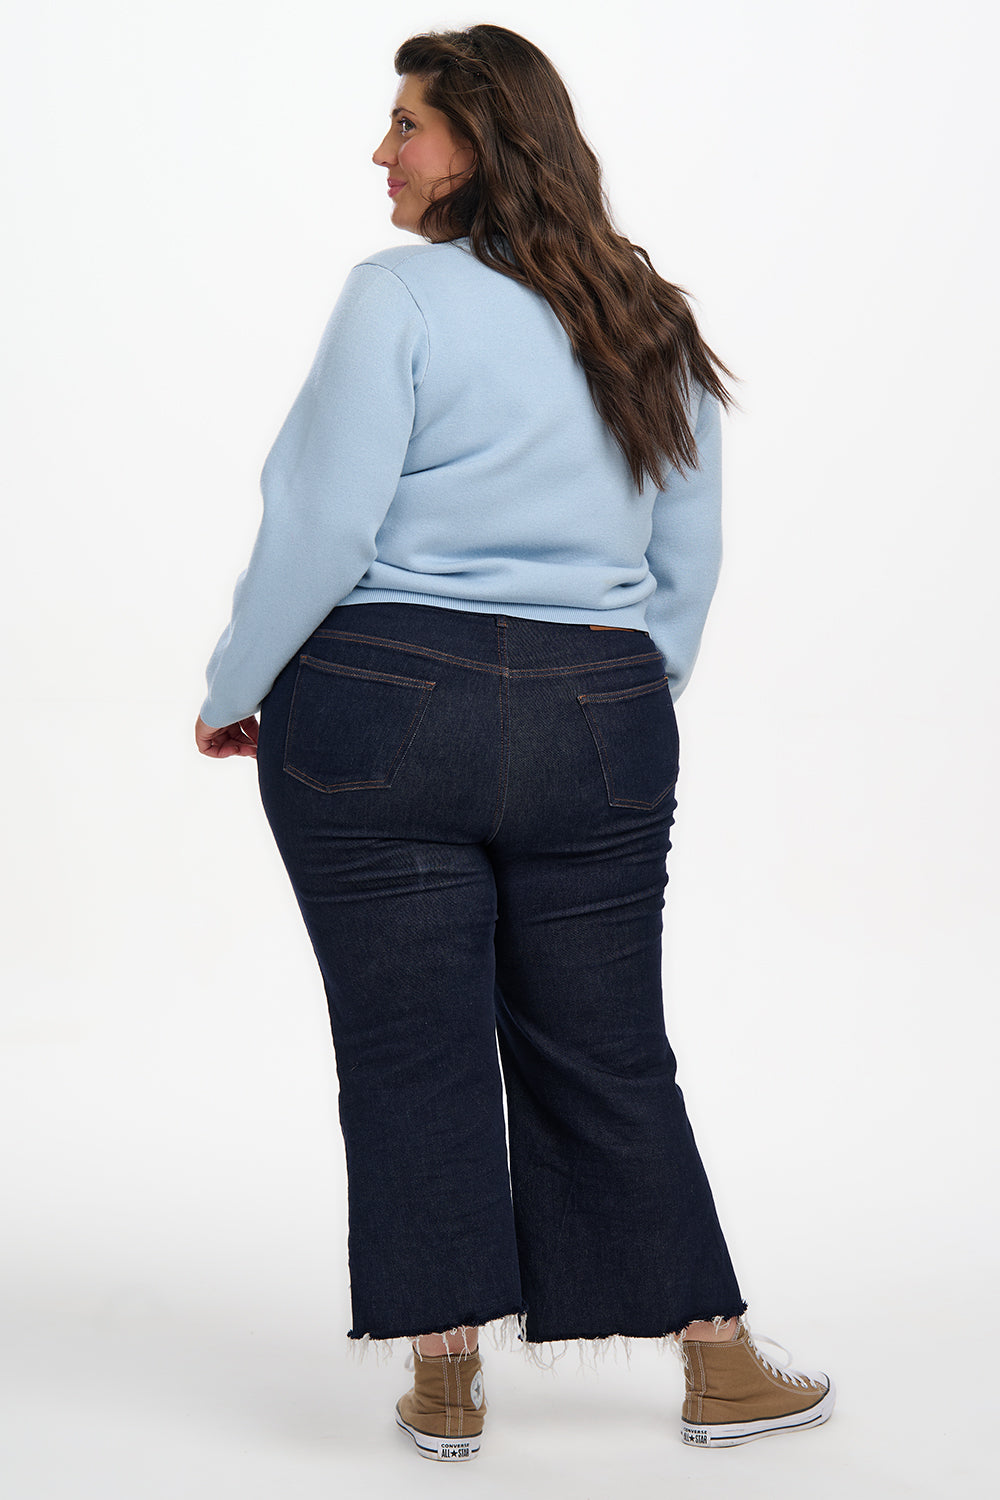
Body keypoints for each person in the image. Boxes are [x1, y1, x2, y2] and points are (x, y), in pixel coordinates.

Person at [194, 23, 835, 1463]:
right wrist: (610, 699)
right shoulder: (645, 314)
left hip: (374, 700)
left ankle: (444, 1375)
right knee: (609, 1045)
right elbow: (689, 550)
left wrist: (237, 681)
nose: (383, 152)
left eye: (405, 126)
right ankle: (718, 1362)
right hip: (597, 713)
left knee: (410, 1045)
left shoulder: (398, 296)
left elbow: (323, 522)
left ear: (477, 146)